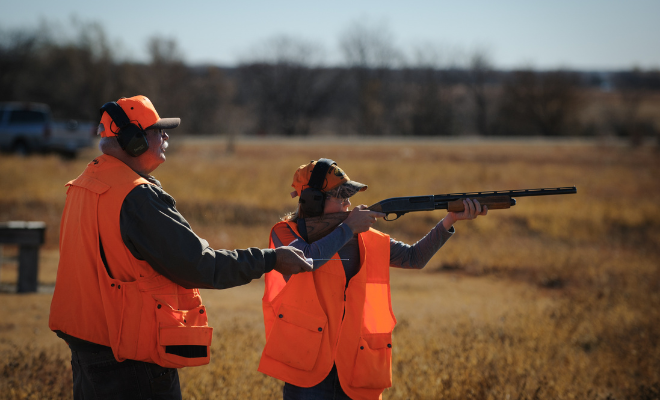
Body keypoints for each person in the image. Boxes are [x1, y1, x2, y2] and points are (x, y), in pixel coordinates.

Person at [48, 95, 312, 400]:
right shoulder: (137, 197)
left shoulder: (83, 184)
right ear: (133, 141)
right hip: (131, 359)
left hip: (90, 347)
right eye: (157, 131)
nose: (165, 137)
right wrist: (271, 259)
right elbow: (199, 264)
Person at [258, 159, 487, 400]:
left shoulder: (365, 237)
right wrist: (347, 229)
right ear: (313, 201)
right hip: (307, 367)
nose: (348, 205)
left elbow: (414, 257)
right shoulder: (286, 233)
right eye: (340, 198)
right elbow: (306, 259)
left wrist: (449, 221)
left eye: (349, 198)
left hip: (356, 365)